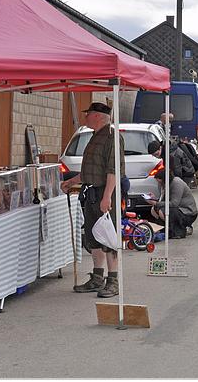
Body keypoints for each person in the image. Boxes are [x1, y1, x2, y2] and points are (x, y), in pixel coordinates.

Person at [60, 102, 125, 298]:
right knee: (93, 237)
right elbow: (91, 169)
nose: (85, 117)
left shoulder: (113, 137)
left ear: (97, 116)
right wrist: (71, 181)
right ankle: (97, 278)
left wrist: (107, 197)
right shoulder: (94, 136)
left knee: (109, 238)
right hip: (91, 192)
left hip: (105, 193)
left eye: (88, 114)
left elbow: (112, 170)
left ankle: (113, 280)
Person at [148, 162, 197, 239]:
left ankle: (178, 230)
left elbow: (174, 203)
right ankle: (165, 228)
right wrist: (154, 199)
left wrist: (157, 203)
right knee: (154, 210)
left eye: (159, 181)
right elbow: (163, 200)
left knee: (165, 211)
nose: (159, 184)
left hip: (187, 212)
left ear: (164, 179)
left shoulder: (177, 183)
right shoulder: (164, 185)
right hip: (176, 207)